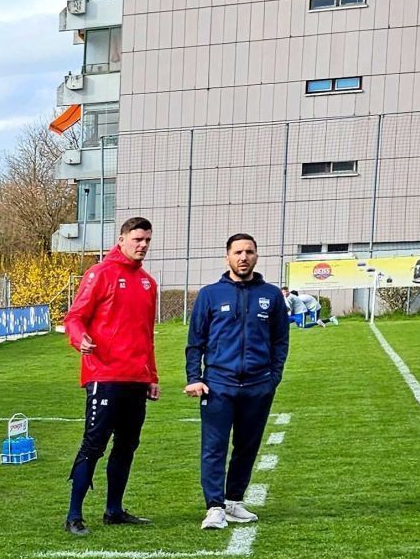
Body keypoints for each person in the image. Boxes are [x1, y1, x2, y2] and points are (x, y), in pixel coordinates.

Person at [63, 216, 161, 536]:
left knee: (127, 445)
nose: (143, 245)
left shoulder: (148, 283)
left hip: (136, 379)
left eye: (147, 240)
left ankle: (114, 510)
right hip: (104, 375)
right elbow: (75, 318)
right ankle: (74, 515)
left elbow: (147, 335)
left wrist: (152, 376)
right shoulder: (100, 273)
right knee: (94, 445)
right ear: (121, 240)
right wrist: (81, 341)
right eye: (137, 239)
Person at [185, 234, 290, 531]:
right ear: (227, 256)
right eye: (238, 252)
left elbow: (281, 340)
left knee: (247, 446)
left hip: (259, 386)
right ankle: (214, 507)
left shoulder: (270, 295)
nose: (243, 257)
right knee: (214, 447)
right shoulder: (210, 294)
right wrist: (194, 377)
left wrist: (273, 378)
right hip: (218, 384)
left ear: (257, 256)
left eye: (249, 252)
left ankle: (233, 501)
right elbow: (196, 342)